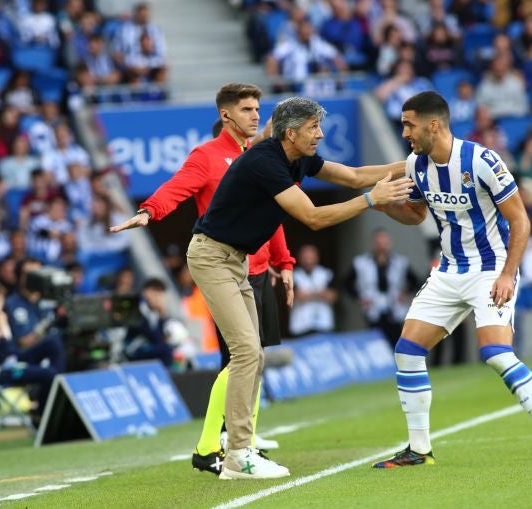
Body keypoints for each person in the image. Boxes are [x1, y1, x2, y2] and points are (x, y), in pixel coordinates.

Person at [112, 95, 412, 480]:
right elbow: (313, 217)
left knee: (252, 356)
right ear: (291, 133)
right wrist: (372, 201)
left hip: (236, 260)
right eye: (313, 128)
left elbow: (353, 176)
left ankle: (240, 448)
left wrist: (417, 162)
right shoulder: (265, 161)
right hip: (211, 257)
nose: (320, 134)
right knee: (247, 352)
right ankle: (236, 453)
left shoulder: (296, 157)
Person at [372, 91, 532, 469]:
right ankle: (419, 449)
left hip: (491, 269)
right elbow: (416, 216)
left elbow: (520, 220)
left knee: (495, 354)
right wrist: (386, 206)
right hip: (448, 270)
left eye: (409, 125)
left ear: (434, 124)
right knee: (407, 351)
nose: (405, 134)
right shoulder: (416, 164)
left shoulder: (482, 160)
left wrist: (508, 275)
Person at [108, 83, 292, 475]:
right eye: (247, 109)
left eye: (258, 109)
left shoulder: (257, 156)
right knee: (240, 360)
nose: (255, 115)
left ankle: (247, 441)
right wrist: (149, 210)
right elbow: (177, 186)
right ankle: (212, 446)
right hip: (224, 268)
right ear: (226, 115)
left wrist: (283, 260)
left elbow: (274, 212)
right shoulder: (207, 157)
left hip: (256, 270)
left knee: (252, 361)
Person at [0, 282, 64, 416]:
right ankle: (43, 413)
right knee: (49, 374)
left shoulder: (1, 319)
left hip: (11, 362)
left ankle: (54, 398)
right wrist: (2, 329)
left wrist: (1, 335)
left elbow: (11, 351)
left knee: (53, 343)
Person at [289, 244, 336, 337]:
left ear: (317, 257)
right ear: (299, 258)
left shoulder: (326, 273)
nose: (308, 260)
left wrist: (308, 294)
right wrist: (320, 293)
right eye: (305, 257)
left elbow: (332, 296)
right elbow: (297, 296)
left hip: (323, 323)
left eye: (311, 257)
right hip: (301, 325)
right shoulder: (293, 275)